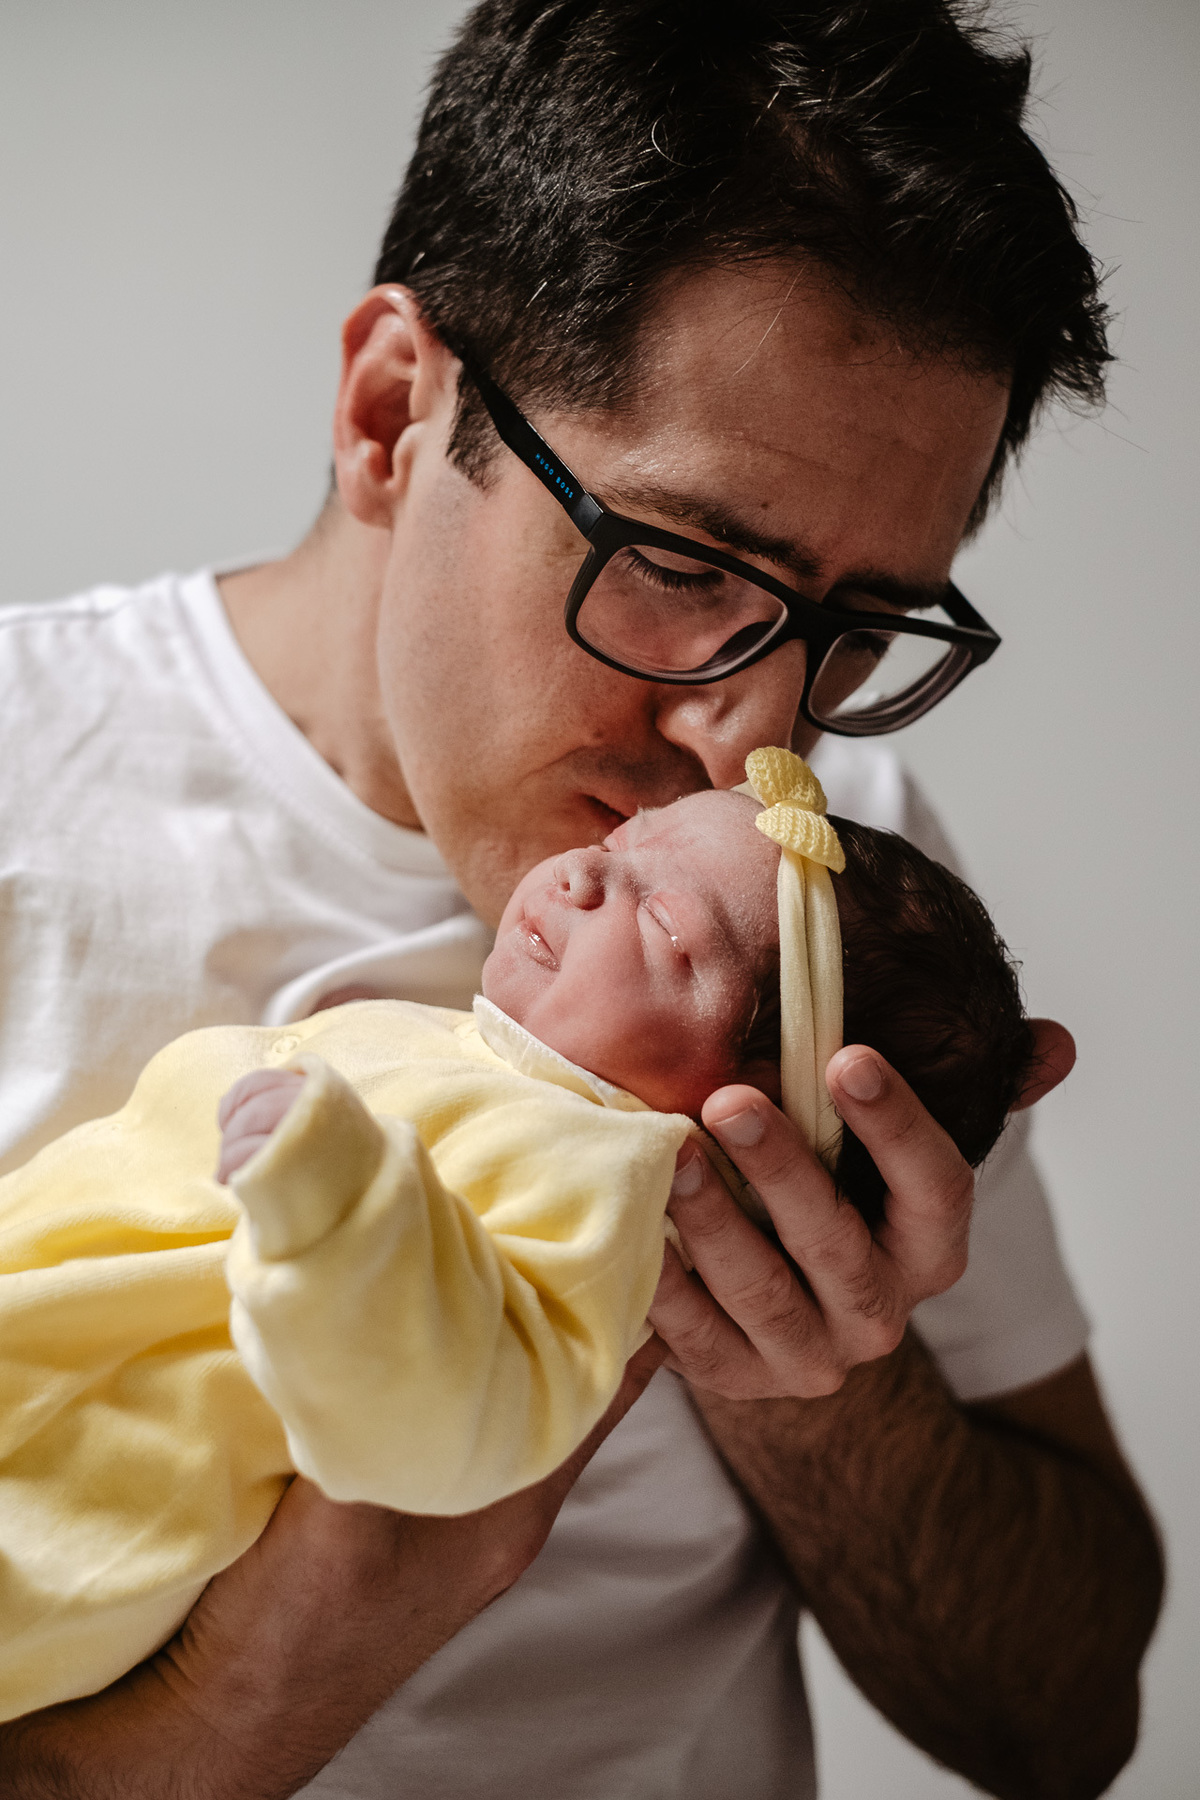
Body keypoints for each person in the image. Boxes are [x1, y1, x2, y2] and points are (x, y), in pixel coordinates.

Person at [0, 3, 1162, 1797]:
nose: (756, 729)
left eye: (857, 629)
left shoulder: (836, 916)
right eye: (685, 564)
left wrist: (818, 1376)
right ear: (396, 408)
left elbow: (1068, 1723)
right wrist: (252, 1693)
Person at [1, 753, 1062, 1726]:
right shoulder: (458, 1050)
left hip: (78, 1512)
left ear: (755, 1122)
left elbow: (453, 1429)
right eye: (616, 847)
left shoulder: (594, 1178)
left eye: (667, 929)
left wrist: (340, 1206)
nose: (579, 880)